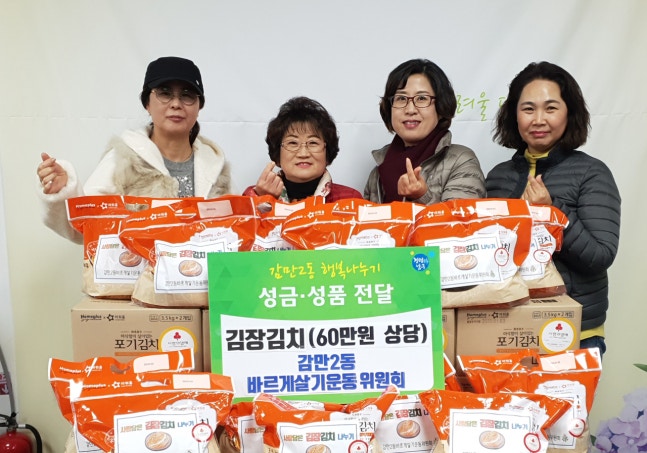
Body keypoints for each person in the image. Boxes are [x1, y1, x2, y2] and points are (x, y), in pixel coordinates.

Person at [485, 61, 621, 356]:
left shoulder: (592, 173)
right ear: (514, 115)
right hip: (506, 330)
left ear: (569, 113)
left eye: (550, 108)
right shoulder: (497, 177)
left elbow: (600, 256)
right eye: (528, 108)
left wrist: (551, 212)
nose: (538, 119)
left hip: (571, 332)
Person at [36, 56, 234, 243]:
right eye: (165, 93)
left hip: (202, 269)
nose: (176, 104)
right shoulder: (125, 159)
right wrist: (63, 192)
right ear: (147, 103)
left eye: (187, 95)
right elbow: (83, 228)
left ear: (199, 106)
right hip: (137, 269)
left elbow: (238, 232)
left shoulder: (215, 167)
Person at [364, 58, 485, 204]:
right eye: (401, 98)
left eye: (422, 98)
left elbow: (460, 217)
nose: (410, 109)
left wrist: (421, 196)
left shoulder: (461, 161)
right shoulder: (379, 171)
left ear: (441, 107)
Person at [243, 96, 362, 202]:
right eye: (293, 143)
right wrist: (263, 201)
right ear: (278, 154)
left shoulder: (350, 199)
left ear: (327, 153)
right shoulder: (254, 196)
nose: (303, 153)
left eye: (313, 143)